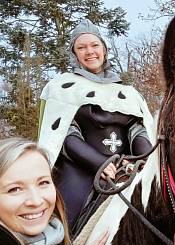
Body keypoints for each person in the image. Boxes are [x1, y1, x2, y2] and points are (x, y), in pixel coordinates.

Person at [37, 18, 153, 230]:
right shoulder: (62, 88)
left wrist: (143, 159)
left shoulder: (129, 93)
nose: (89, 51)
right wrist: (99, 163)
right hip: (81, 166)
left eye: (94, 45)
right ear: (74, 54)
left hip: (127, 163)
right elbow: (64, 133)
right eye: (81, 47)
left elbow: (138, 129)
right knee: (64, 215)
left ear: (104, 49)